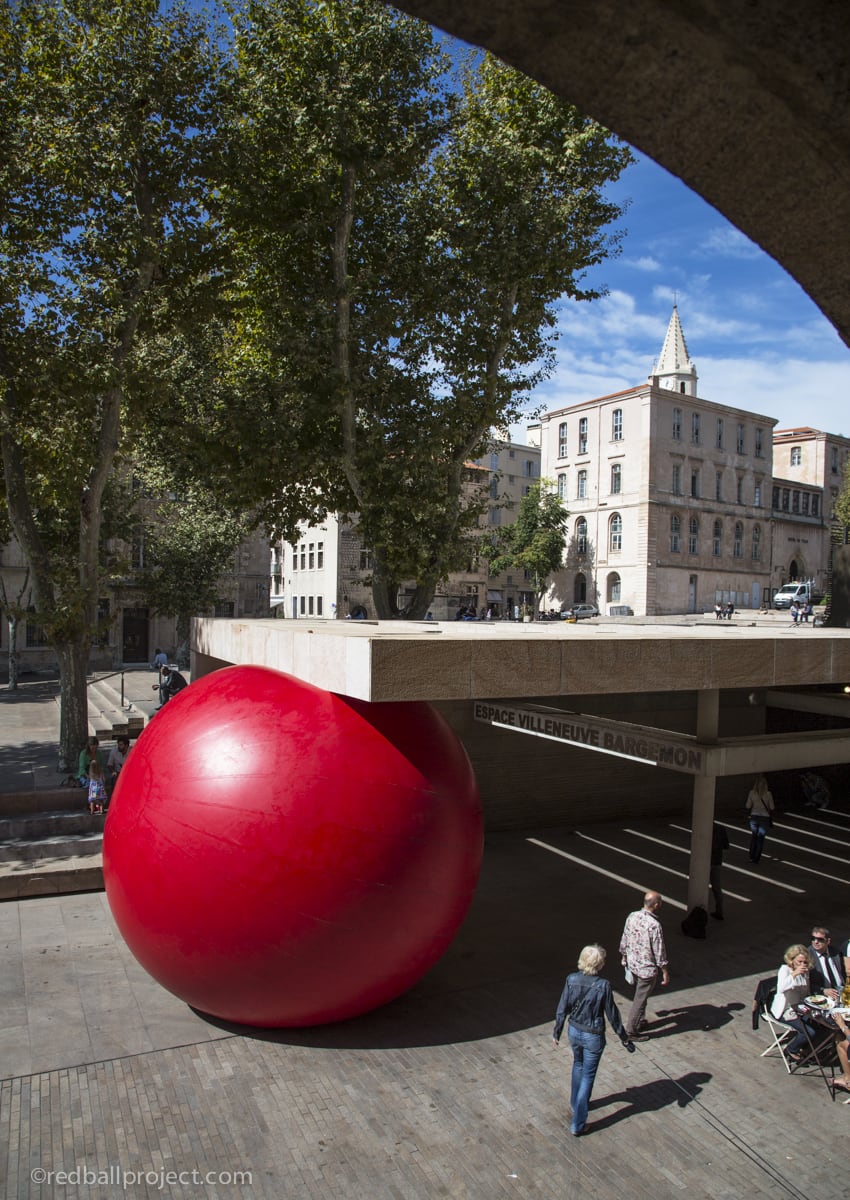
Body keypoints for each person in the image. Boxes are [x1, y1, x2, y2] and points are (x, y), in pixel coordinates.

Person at [552, 944, 635, 1137]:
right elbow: (612, 1015)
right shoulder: (603, 985)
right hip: (593, 1035)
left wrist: (557, 1031)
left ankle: (575, 1103)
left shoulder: (571, 979)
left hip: (574, 1030)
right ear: (599, 964)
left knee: (577, 1065)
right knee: (588, 1076)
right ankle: (578, 1123)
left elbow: (562, 1007)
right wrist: (624, 1038)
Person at [619, 891, 670, 1040]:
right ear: (656, 905)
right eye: (660, 902)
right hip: (646, 969)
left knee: (642, 994)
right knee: (640, 999)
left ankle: (639, 1021)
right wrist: (665, 971)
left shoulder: (632, 916)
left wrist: (624, 956)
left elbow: (625, 938)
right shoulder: (654, 925)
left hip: (633, 963)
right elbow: (659, 951)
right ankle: (631, 1031)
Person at [770, 944, 818, 1061]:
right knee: (809, 1032)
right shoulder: (785, 970)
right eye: (799, 962)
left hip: (800, 1007)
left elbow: (806, 991)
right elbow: (781, 988)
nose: (802, 965)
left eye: (805, 962)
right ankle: (791, 1049)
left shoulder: (806, 972)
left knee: (820, 1024)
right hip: (785, 1010)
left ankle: (808, 1049)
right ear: (792, 960)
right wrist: (795, 973)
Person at [808, 926, 845, 997]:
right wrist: (823, 991)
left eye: (820, 939)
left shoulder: (836, 952)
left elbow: (843, 973)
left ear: (828, 941)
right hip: (821, 996)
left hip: (841, 992)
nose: (816, 942)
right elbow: (804, 984)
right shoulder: (807, 955)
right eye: (813, 939)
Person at [745, 773, 774, 862]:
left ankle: (751, 855)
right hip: (764, 818)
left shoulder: (751, 793)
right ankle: (756, 858)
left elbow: (748, 806)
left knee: (754, 836)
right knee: (760, 838)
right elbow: (772, 807)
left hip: (754, 816)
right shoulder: (768, 794)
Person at [710, 823, 730, 920]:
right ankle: (719, 911)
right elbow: (726, 845)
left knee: (700, 886)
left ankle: (700, 911)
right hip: (717, 861)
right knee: (717, 888)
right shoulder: (721, 828)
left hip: (706, 862)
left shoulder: (703, 828)